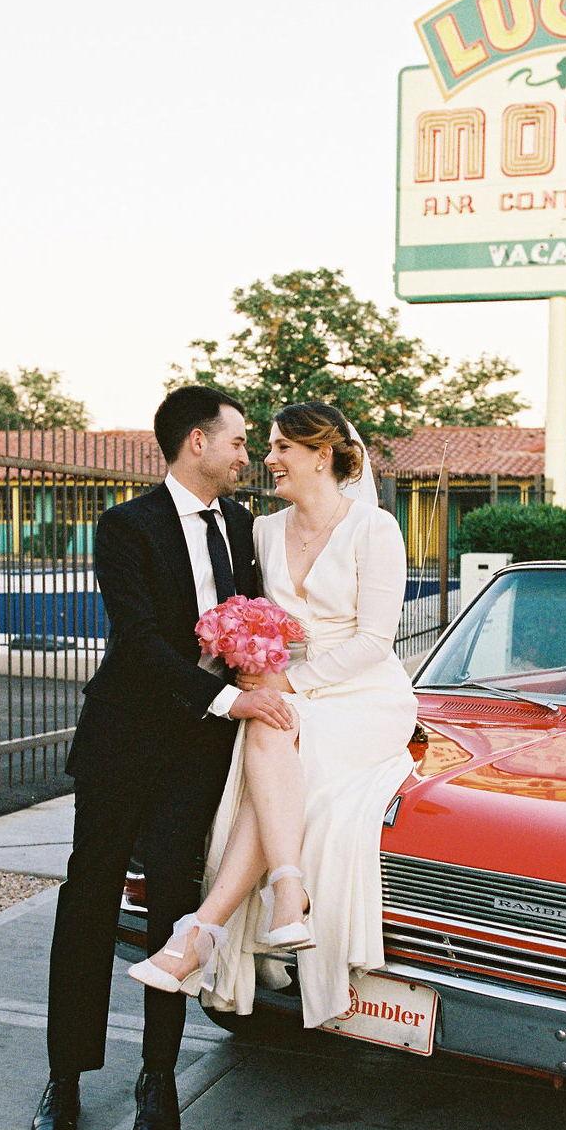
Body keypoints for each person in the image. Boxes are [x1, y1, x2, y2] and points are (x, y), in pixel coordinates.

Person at [30, 386, 295, 1130]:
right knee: (89, 903)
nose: (247, 455)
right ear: (195, 443)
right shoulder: (126, 526)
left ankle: (158, 1077)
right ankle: (66, 1076)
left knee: (177, 908)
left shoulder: (242, 526)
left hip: (199, 752)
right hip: (123, 743)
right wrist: (230, 700)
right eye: (238, 440)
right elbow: (140, 640)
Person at [125, 401, 416, 1032]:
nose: (268, 458)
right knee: (269, 723)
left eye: (283, 446)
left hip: (364, 695)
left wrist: (290, 680)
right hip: (288, 690)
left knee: (273, 728)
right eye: (268, 446)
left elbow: (375, 641)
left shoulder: (375, 529)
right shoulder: (262, 530)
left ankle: (204, 929)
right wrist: (244, 657)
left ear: (322, 454)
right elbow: (253, 617)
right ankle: (285, 890)